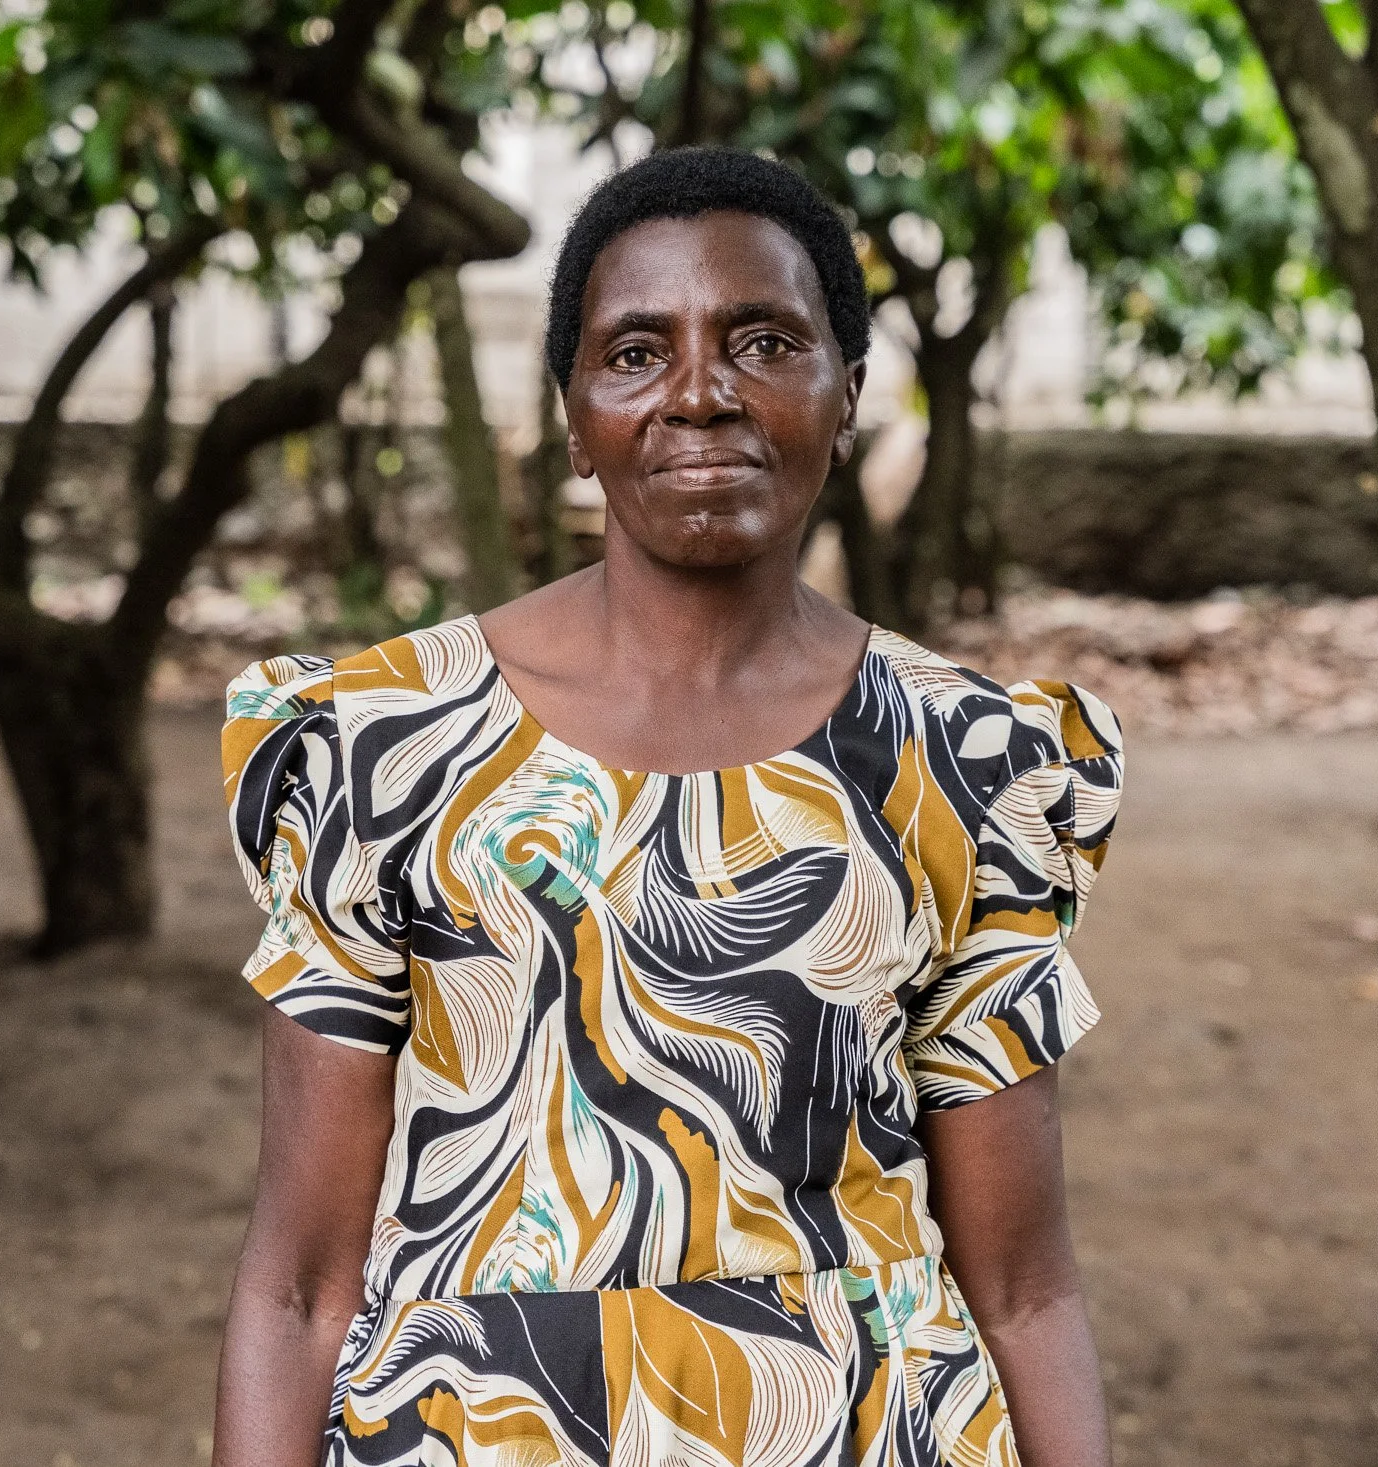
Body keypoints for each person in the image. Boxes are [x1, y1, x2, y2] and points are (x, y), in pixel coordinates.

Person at [213, 146, 1125, 1467]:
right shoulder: (384, 744)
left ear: (847, 392)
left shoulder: (966, 760)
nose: (701, 394)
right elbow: (296, 1282)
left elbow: (1028, 1284)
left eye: (764, 341)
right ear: (577, 419)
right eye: (637, 353)